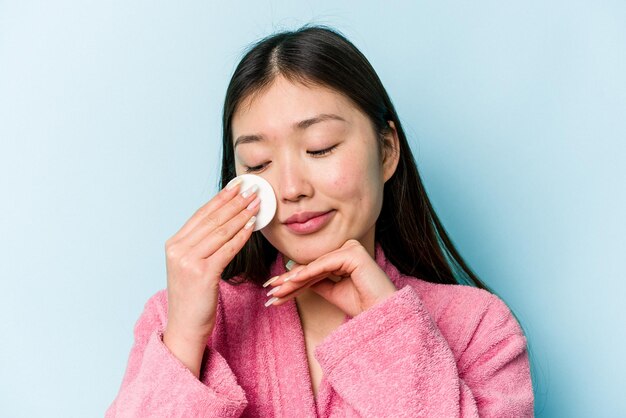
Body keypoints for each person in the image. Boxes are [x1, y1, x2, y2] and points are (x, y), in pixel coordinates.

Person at [106, 25, 534, 417]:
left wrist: (388, 327)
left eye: (320, 147)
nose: (291, 188)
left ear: (386, 151)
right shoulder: (172, 322)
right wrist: (185, 339)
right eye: (258, 163)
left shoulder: (480, 328)